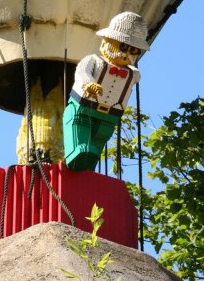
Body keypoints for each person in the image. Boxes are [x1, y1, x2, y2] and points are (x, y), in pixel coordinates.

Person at [63, 12, 149, 171]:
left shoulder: (133, 73)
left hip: (110, 114)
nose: (127, 54)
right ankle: (77, 153)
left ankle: (89, 163)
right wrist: (88, 83)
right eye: (123, 46)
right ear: (106, 41)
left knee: (100, 137)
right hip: (85, 106)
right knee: (78, 126)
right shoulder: (93, 60)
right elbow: (82, 72)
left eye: (133, 50)